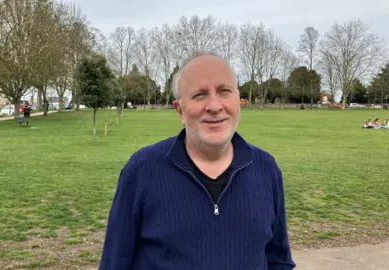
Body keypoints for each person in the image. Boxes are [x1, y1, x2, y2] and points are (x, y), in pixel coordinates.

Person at [99, 51, 296, 270]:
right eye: (199, 95)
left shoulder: (266, 169)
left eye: (224, 91)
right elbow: (114, 263)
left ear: (238, 100)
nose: (214, 106)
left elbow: (278, 260)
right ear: (180, 110)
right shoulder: (142, 170)